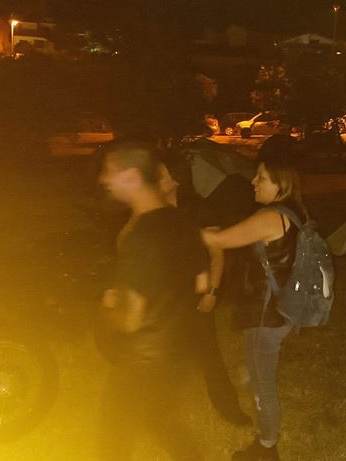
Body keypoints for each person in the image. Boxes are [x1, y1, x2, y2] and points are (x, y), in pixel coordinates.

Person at [95, 141, 210, 460]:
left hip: (143, 356)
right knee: (160, 420)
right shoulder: (183, 223)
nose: (103, 179)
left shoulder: (141, 236)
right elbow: (202, 282)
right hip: (178, 350)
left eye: (109, 171)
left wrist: (108, 309)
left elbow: (131, 320)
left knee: (112, 439)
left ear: (132, 177)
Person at [201, 158, 308, 461]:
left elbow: (219, 240)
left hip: (267, 314)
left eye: (261, 177)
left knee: (263, 383)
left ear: (280, 183)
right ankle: (264, 437)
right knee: (260, 379)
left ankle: (267, 447)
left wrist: (173, 224)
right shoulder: (291, 211)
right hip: (273, 309)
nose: (253, 182)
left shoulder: (272, 216)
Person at [156, 158, 253, 426]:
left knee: (207, 352)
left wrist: (212, 290)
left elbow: (216, 253)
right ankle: (159, 409)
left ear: (176, 179)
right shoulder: (154, 209)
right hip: (164, 294)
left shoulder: (200, 208)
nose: (154, 177)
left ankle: (228, 407)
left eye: (161, 173)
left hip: (195, 293)